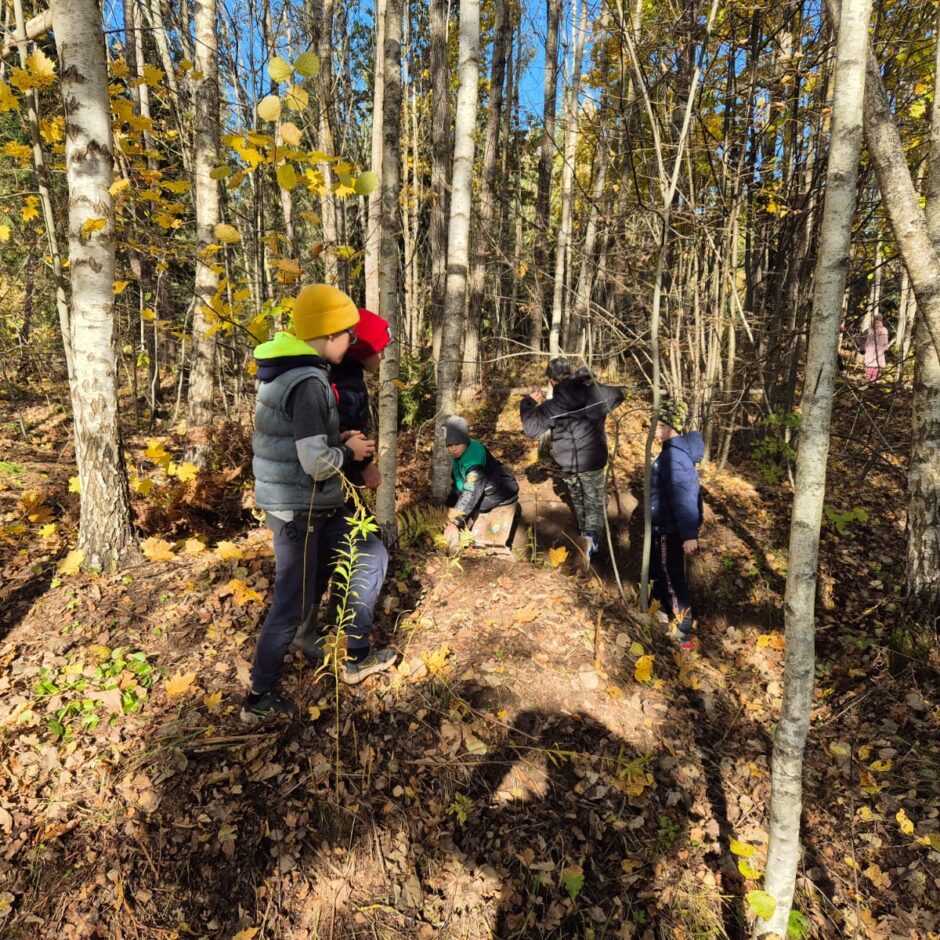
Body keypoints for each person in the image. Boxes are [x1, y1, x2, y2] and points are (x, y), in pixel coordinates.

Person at [243, 284, 396, 724]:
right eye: (348, 333)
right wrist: (350, 453)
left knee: (369, 554)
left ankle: (350, 656)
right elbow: (315, 463)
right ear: (329, 334)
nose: (352, 343)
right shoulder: (309, 382)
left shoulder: (291, 370)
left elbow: (301, 442)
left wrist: (339, 439)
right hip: (301, 510)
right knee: (290, 604)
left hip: (304, 505)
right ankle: (258, 699)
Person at [291, 307, 392, 660]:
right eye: (379, 349)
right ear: (362, 349)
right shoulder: (343, 383)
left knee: (320, 560)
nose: (382, 357)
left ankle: (312, 632)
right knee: (369, 553)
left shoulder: (337, 373)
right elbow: (342, 437)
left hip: (320, 487)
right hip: (326, 488)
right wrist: (362, 463)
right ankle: (353, 648)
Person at [519, 357, 624, 571]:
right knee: (594, 502)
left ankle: (586, 538)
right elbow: (619, 394)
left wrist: (528, 402)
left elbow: (531, 429)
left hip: (568, 463)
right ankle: (590, 541)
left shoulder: (553, 406)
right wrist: (590, 381)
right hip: (592, 461)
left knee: (579, 498)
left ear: (552, 381)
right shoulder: (593, 395)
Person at [650, 397, 704, 648]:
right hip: (667, 527)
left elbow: (684, 495)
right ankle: (660, 610)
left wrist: (688, 534)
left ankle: (683, 631)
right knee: (663, 572)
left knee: (672, 576)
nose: (654, 432)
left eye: (658, 426)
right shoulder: (672, 453)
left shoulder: (674, 457)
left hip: (670, 529)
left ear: (669, 426)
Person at [442, 416, 519, 554]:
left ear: (465, 441)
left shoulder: (473, 462)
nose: (453, 449)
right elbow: (459, 485)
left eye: (456, 444)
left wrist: (455, 522)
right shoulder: (461, 454)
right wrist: (446, 509)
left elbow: (470, 493)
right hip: (484, 495)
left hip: (499, 497)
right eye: (449, 445)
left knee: (483, 546)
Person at [861, 313, 890, 382]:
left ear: (881, 322)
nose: (876, 324)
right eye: (875, 322)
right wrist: (862, 348)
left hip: (879, 352)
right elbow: (862, 339)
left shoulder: (884, 330)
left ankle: (874, 381)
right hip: (870, 351)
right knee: (869, 366)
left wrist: (886, 348)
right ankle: (867, 380)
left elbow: (886, 340)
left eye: (878, 322)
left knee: (877, 367)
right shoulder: (868, 330)